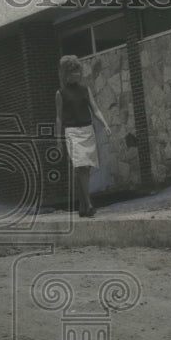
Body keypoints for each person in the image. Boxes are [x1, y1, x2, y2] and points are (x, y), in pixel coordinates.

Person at [55, 55, 111, 218]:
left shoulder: (85, 89)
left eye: (78, 71)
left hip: (87, 130)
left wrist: (105, 123)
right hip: (72, 132)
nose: (77, 74)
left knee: (85, 168)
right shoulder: (60, 93)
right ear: (66, 74)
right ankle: (89, 204)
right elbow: (58, 117)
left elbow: (95, 109)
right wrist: (58, 139)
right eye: (73, 71)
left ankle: (82, 206)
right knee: (80, 167)